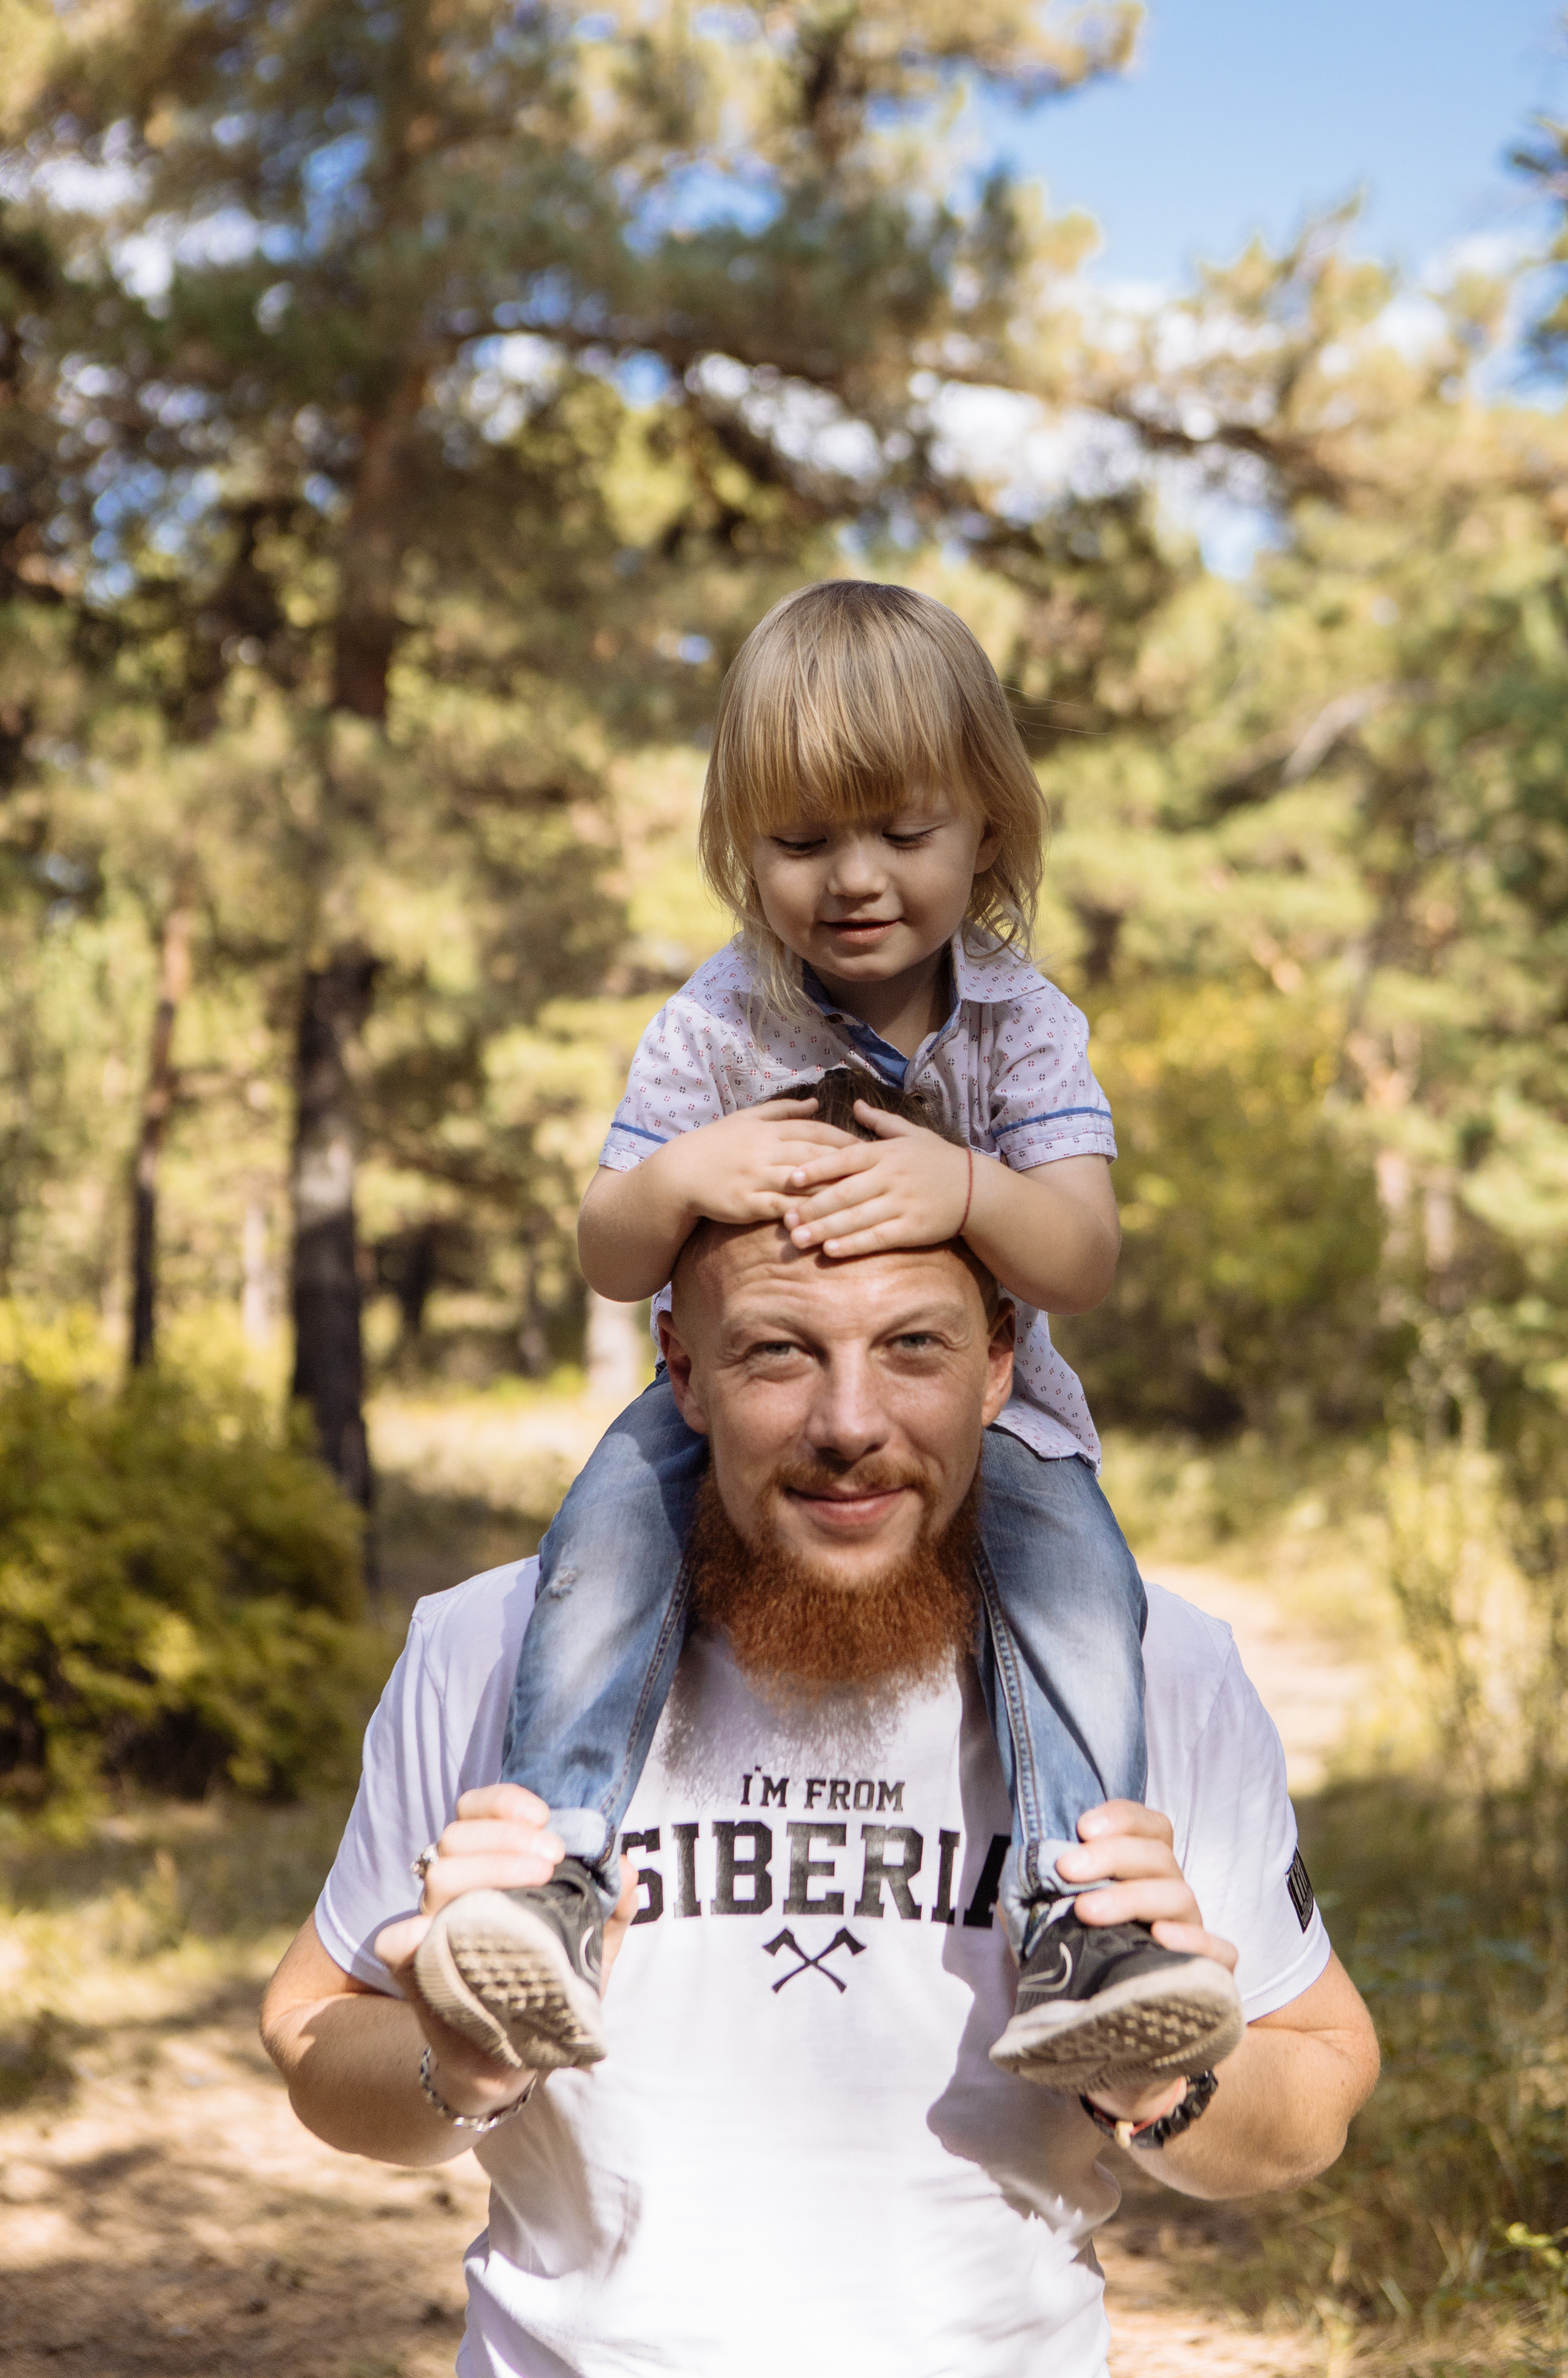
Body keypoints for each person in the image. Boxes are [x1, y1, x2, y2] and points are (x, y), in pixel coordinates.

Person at [260, 1183, 1379, 2378]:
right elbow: (312, 2030)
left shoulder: (1154, 1670)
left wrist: (1164, 2083)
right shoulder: (494, 1648)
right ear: (681, 1373)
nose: (848, 1422)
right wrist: (459, 2064)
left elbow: (1316, 2080)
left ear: (1000, 1361)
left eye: (912, 1347)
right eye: (776, 1353)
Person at [415, 579, 1241, 2093]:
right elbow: (608, 1253)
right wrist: (673, 1178)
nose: (853, 879)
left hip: (986, 1420)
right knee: (600, 1543)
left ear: (985, 830)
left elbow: (1086, 1253)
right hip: (725, 1405)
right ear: (744, 851)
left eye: (901, 833)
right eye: (799, 843)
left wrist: (967, 1184)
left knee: (1074, 1584)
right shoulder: (715, 1025)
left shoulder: (1022, 1025)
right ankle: (556, 1871)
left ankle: (1081, 1918)